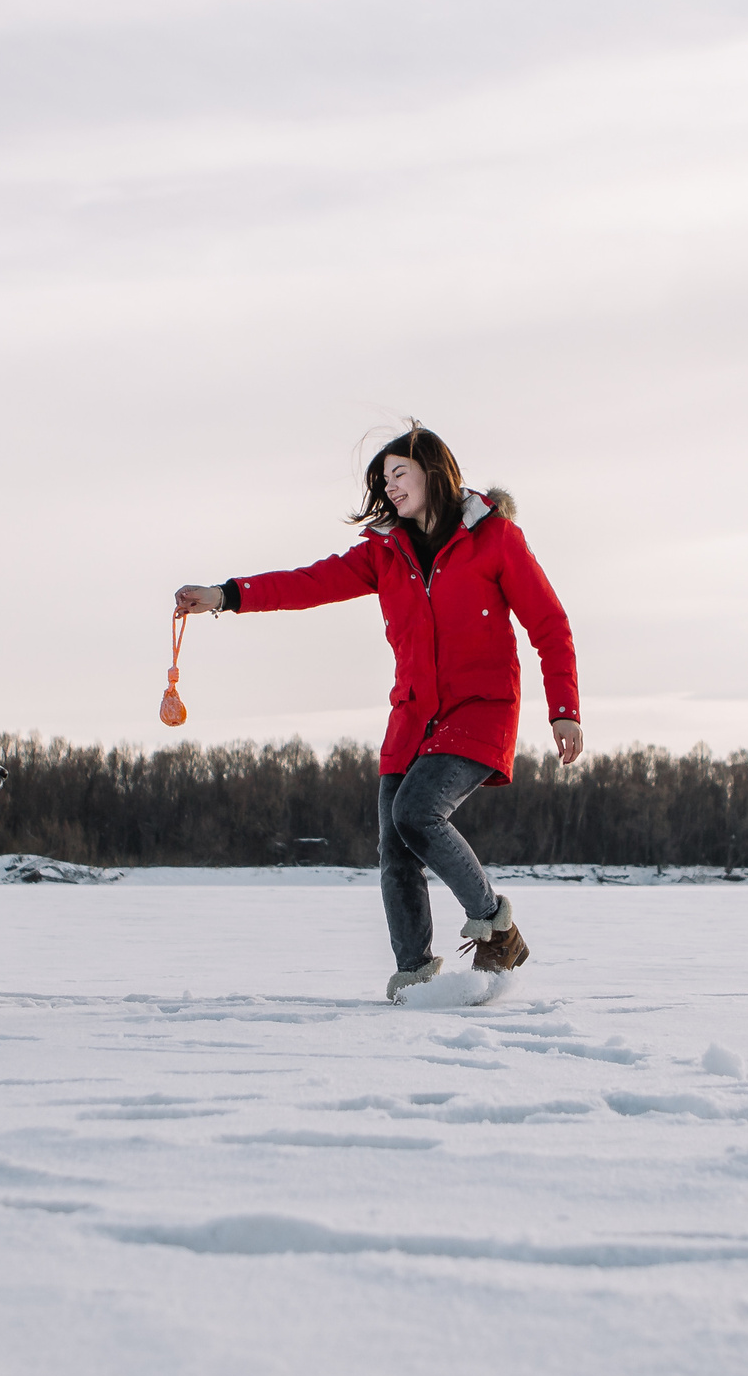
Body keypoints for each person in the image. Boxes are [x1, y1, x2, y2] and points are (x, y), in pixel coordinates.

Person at [174, 425, 582, 1000]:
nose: (389, 488)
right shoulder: (383, 551)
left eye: (399, 474)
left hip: (480, 710)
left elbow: (549, 623)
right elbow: (309, 582)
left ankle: (496, 924)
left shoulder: (495, 539)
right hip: (414, 716)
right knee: (395, 853)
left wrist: (565, 708)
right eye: (383, 479)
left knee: (417, 813)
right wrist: (226, 595)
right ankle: (415, 976)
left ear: (434, 472)